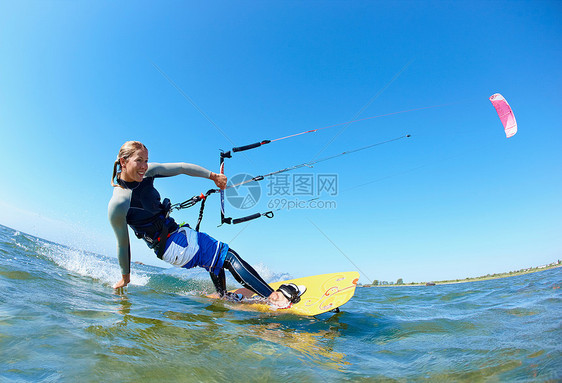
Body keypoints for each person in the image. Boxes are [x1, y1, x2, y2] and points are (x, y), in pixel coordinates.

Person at [108, 141, 304, 308]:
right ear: (124, 162)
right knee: (227, 256)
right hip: (171, 244)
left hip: (175, 237)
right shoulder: (119, 202)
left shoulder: (147, 173)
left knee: (214, 259)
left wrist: (213, 176)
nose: (144, 166)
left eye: (146, 160)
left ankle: (222, 295)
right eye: (139, 161)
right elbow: (122, 244)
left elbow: (182, 167)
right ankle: (274, 298)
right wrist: (125, 277)